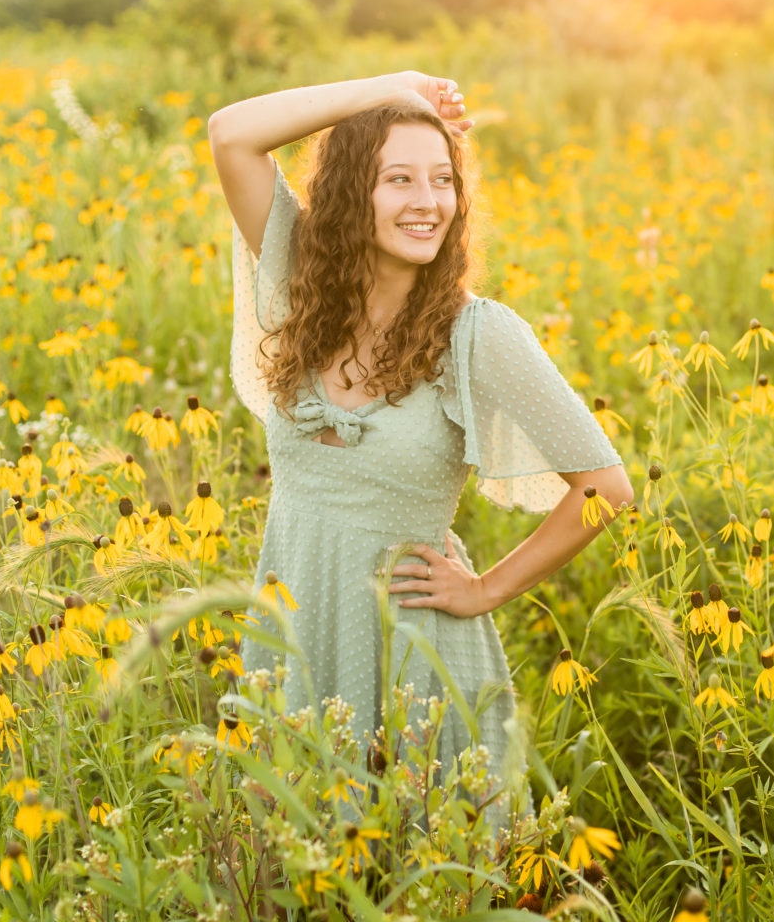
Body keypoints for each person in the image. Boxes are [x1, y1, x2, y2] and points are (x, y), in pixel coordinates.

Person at [208, 70, 634, 825]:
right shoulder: (299, 279)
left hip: (413, 656)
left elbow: (606, 487)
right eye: (397, 178)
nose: (428, 201)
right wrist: (391, 88)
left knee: (422, 875)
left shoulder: (479, 334)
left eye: (443, 180)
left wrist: (484, 589)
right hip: (296, 640)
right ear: (347, 195)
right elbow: (232, 133)